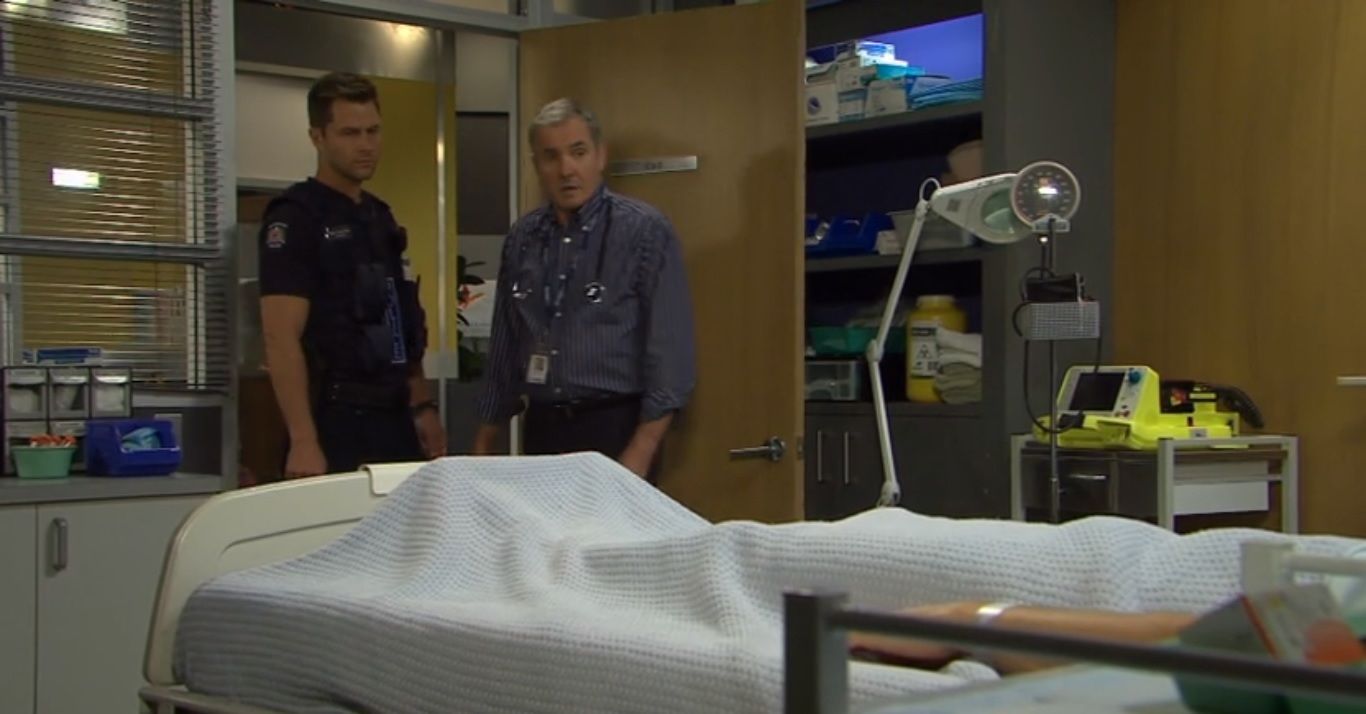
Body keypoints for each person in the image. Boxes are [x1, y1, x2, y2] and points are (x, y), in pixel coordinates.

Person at [472, 98, 696, 481]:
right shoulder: (523, 238)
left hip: (614, 425)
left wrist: (641, 450)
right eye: (551, 156)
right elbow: (505, 347)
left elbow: (671, 356)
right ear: (536, 165)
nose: (566, 170)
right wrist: (483, 442)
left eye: (578, 152)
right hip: (543, 428)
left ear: (600, 156)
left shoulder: (643, 231)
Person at [258, 72, 445, 479]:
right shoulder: (296, 218)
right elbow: (280, 338)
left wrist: (422, 406)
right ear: (318, 137)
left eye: (373, 131)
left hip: (393, 415)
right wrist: (304, 440)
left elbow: (400, 321)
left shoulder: (379, 217)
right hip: (334, 415)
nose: (365, 145)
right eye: (350, 133)